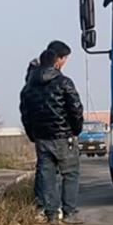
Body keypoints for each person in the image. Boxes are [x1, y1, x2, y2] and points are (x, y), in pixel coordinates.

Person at [20, 43, 84, 225]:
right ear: (56, 62)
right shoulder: (64, 82)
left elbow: (25, 113)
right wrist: (75, 129)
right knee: (70, 173)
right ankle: (70, 212)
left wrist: (32, 134)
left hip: (42, 138)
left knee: (47, 175)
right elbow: (76, 109)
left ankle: (51, 215)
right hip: (64, 136)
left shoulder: (28, 87)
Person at [24, 40, 69, 212]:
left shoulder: (32, 73)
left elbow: (25, 104)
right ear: (57, 58)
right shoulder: (54, 78)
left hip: (39, 128)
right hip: (55, 129)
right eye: (64, 59)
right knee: (56, 170)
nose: (64, 63)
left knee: (44, 168)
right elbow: (72, 106)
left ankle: (43, 205)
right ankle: (46, 205)